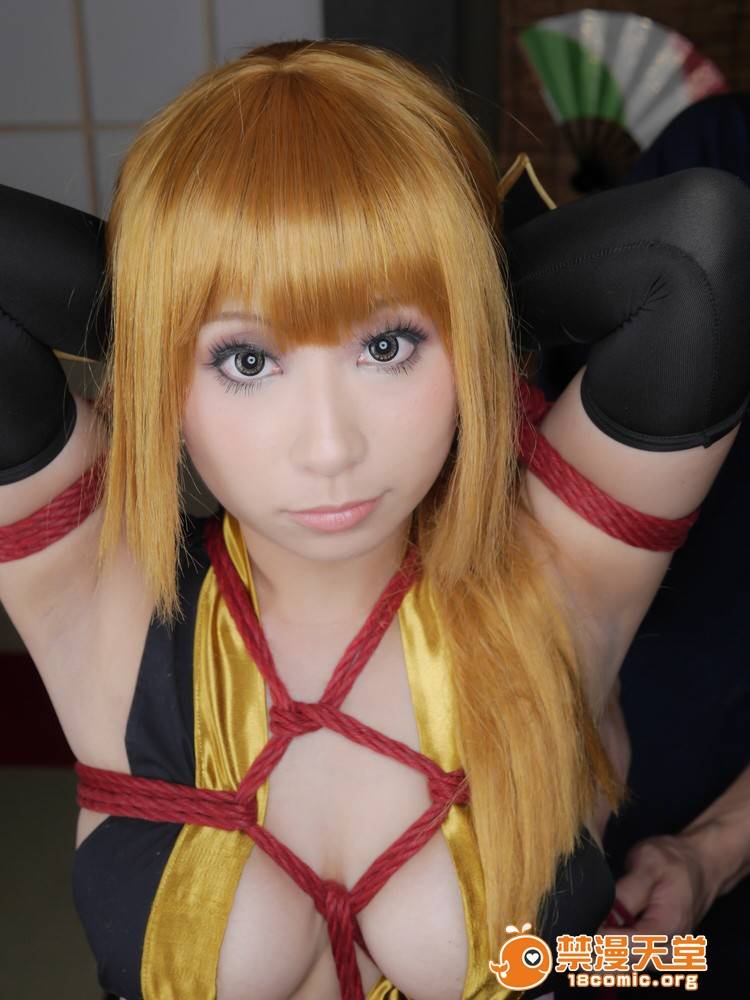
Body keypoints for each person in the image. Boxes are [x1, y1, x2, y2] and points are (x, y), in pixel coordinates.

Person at [1, 39, 749, 1000]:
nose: (330, 447)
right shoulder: (98, 598)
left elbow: (695, 251)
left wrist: (696, 885)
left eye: (389, 343)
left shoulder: (560, 577)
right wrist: (171, 294)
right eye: (246, 360)